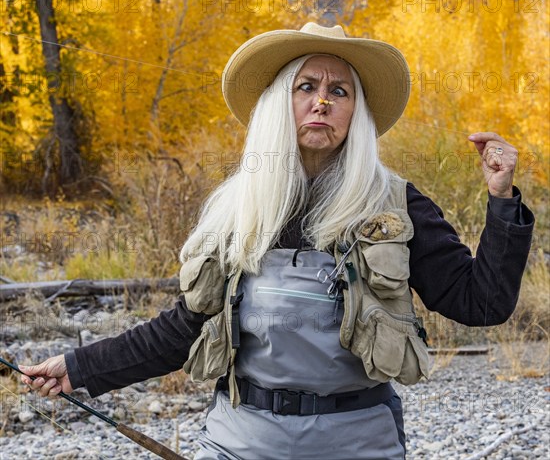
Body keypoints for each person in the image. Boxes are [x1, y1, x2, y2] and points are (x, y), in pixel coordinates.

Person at [20, 23, 534, 459]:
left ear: (356, 112)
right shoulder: (239, 206)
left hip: (360, 445)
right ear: (278, 101)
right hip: (240, 443)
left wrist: (502, 198)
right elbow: (184, 329)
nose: (322, 103)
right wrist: (79, 367)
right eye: (306, 86)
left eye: (339, 92)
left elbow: (480, 303)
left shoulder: (395, 203)